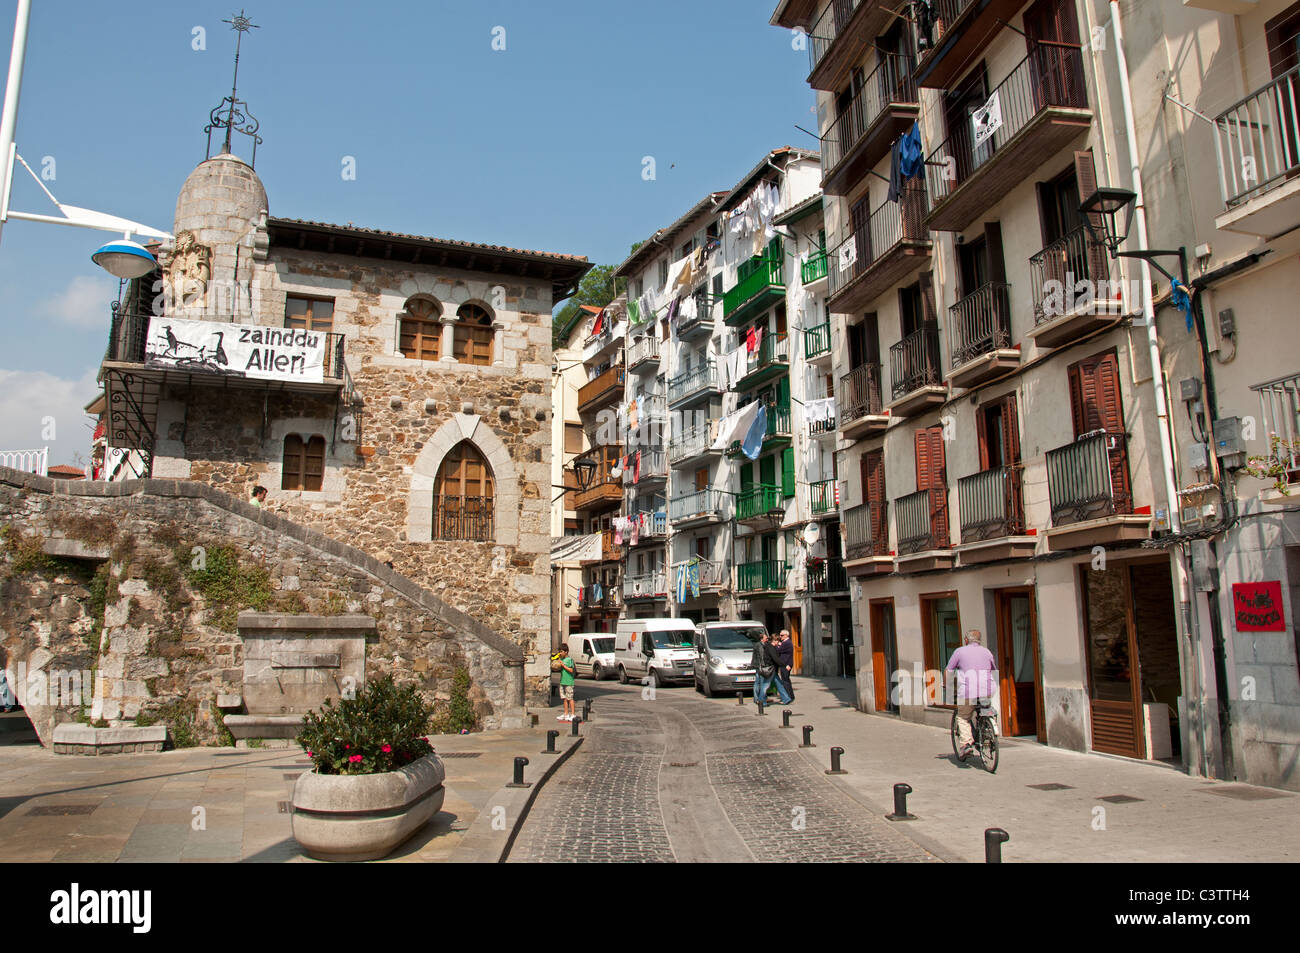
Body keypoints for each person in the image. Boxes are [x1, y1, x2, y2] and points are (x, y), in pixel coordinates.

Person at [946, 629, 997, 760]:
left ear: (966, 640)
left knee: (963, 717)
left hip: (968, 692)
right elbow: (993, 669)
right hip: (987, 689)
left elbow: (949, 670)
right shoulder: (987, 652)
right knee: (984, 709)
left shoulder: (959, 651)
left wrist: (947, 685)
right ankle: (987, 731)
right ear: (979, 640)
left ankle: (966, 744)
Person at [751, 631, 777, 712]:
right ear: (762, 639)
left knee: (758, 682)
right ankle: (759, 699)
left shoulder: (760, 644)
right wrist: (763, 666)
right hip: (760, 666)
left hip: (758, 666)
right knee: (759, 682)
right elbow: (761, 657)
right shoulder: (760, 645)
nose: (767, 638)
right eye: (766, 637)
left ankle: (759, 698)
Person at [556, 643, 577, 722]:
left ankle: (573, 714)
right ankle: (566, 713)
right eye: (560, 651)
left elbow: (571, 670)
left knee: (570, 698)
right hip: (563, 681)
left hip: (569, 682)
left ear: (566, 652)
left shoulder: (569, 660)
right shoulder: (562, 659)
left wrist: (563, 665)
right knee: (564, 699)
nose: (560, 653)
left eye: (561, 651)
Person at [774, 629, 795, 704]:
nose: (780, 636)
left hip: (786, 665)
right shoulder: (784, 642)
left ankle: (788, 697)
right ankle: (790, 696)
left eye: (782, 635)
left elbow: (779, 651)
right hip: (785, 664)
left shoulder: (787, 643)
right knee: (786, 680)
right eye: (780, 635)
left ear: (786, 635)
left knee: (785, 681)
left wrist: (776, 645)